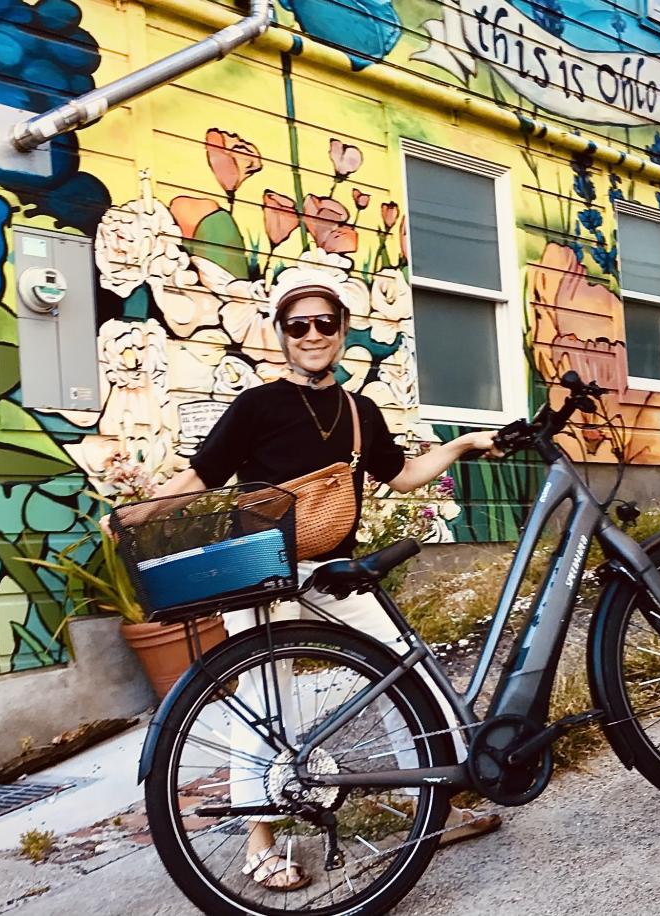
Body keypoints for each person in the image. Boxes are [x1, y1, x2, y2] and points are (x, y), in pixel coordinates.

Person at [105, 275, 503, 891]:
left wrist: (464, 445)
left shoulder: (359, 410)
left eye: (324, 324)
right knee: (266, 706)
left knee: (409, 673)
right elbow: (202, 475)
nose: (312, 335)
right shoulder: (257, 406)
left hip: (334, 571)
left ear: (341, 333)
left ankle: (435, 803)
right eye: (298, 326)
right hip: (263, 572)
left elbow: (401, 477)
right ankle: (259, 843)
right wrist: (143, 513)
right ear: (281, 336)